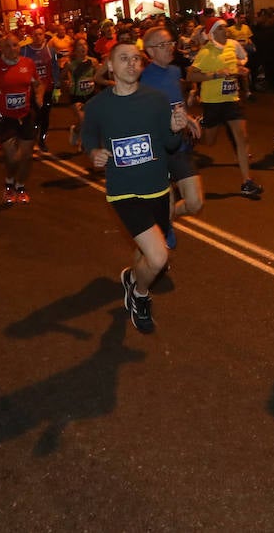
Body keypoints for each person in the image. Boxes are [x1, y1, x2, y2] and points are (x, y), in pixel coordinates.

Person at [81, 41, 189, 332]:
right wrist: (93, 153)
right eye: (123, 58)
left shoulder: (155, 99)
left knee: (146, 257)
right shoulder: (97, 106)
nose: (131, 63)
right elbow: (88, 136)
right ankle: (139, 294)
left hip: (158, 189)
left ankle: (132, 278)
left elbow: (169, 144)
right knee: (158, 256)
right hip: (124, 192)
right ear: (110, 66)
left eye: (136, 59)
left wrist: (176, 130)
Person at [139, 26, 203, 236]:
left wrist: (188, 117)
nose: (170, 48)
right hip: (159, 148)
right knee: (165, 202)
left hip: (180, 144)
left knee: (195, 203)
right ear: (150, 51)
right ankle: (163, 227)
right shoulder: (143, 79)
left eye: (171, 43)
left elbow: (176, 102)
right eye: (163, 45)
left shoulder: (175, 71)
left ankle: (163, 222)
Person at [187, 19, 261, 197]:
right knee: (209, 142)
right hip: (212, 102)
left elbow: (233, 68)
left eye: (225, 27)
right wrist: (214, 75)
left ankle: (247, 181)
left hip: (231, 99)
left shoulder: (231, 47)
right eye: (220, 28)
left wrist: (240, 71)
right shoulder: (206, 51)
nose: (225, 30)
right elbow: (191, 75)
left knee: (242, 138)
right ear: (212, 32)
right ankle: (197, 129)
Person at [0, 33, 42, 205]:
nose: (12, 49)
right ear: (0, 48)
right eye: (7, 46)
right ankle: (9, 182)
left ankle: (20, 187)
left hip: (25, 116)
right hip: (4, 118)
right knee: (12, 158)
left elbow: (37, 83)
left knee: (26, 156)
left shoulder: (28, 64)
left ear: (19, 46)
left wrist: (39, 96)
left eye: (15, 45)